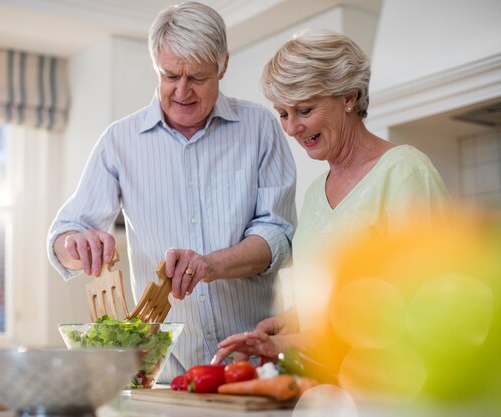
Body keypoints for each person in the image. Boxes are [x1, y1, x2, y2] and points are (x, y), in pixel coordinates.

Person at [47, 1, 297, 382]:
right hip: (164, 373)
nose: (182, 91)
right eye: (169, 75)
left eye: (197, 77)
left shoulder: (260, 128)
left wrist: (211, 265)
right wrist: (76, 245)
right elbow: (64, 235)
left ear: (223, 66)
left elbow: (278, 236)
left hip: (256, 366)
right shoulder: (120, 141)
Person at [211, 28, 449, 367]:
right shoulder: (315, 193)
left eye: (305, 110)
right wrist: (291, 321)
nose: (292, 128)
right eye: (283, 113)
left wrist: (292, 343)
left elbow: (419, 306)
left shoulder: (404, 172)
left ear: (349, 97)